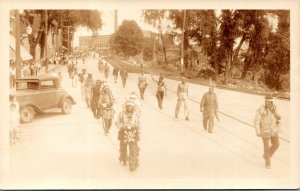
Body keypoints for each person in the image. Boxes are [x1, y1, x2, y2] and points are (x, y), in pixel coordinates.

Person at [254, 95, 281, 169]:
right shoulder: (261, 109)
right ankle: (267, 163)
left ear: (272, 102)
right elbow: (256, 121)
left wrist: (277, 116)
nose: (268, 103)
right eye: (266, 101)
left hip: (273, 130)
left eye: (269, 102)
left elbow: (278, 119)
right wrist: (258, 131)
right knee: (266, 147)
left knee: (276, 144)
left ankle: (266, 155)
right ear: (265, 101)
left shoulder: (274, 108)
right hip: (265, 131)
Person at [115, 99, 141, 171]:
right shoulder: (121, 114)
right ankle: (123, 159)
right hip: (123, 132)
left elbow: (138, 125)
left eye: (131, 106)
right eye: (128, 106)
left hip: (133, 133)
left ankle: (132, 164)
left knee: (133, 148)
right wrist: (122, 126)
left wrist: (139, 133)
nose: (129, 108)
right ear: (125, 107)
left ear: (133, 107)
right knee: (123, 147)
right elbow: (117, 123)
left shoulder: (136, 115)